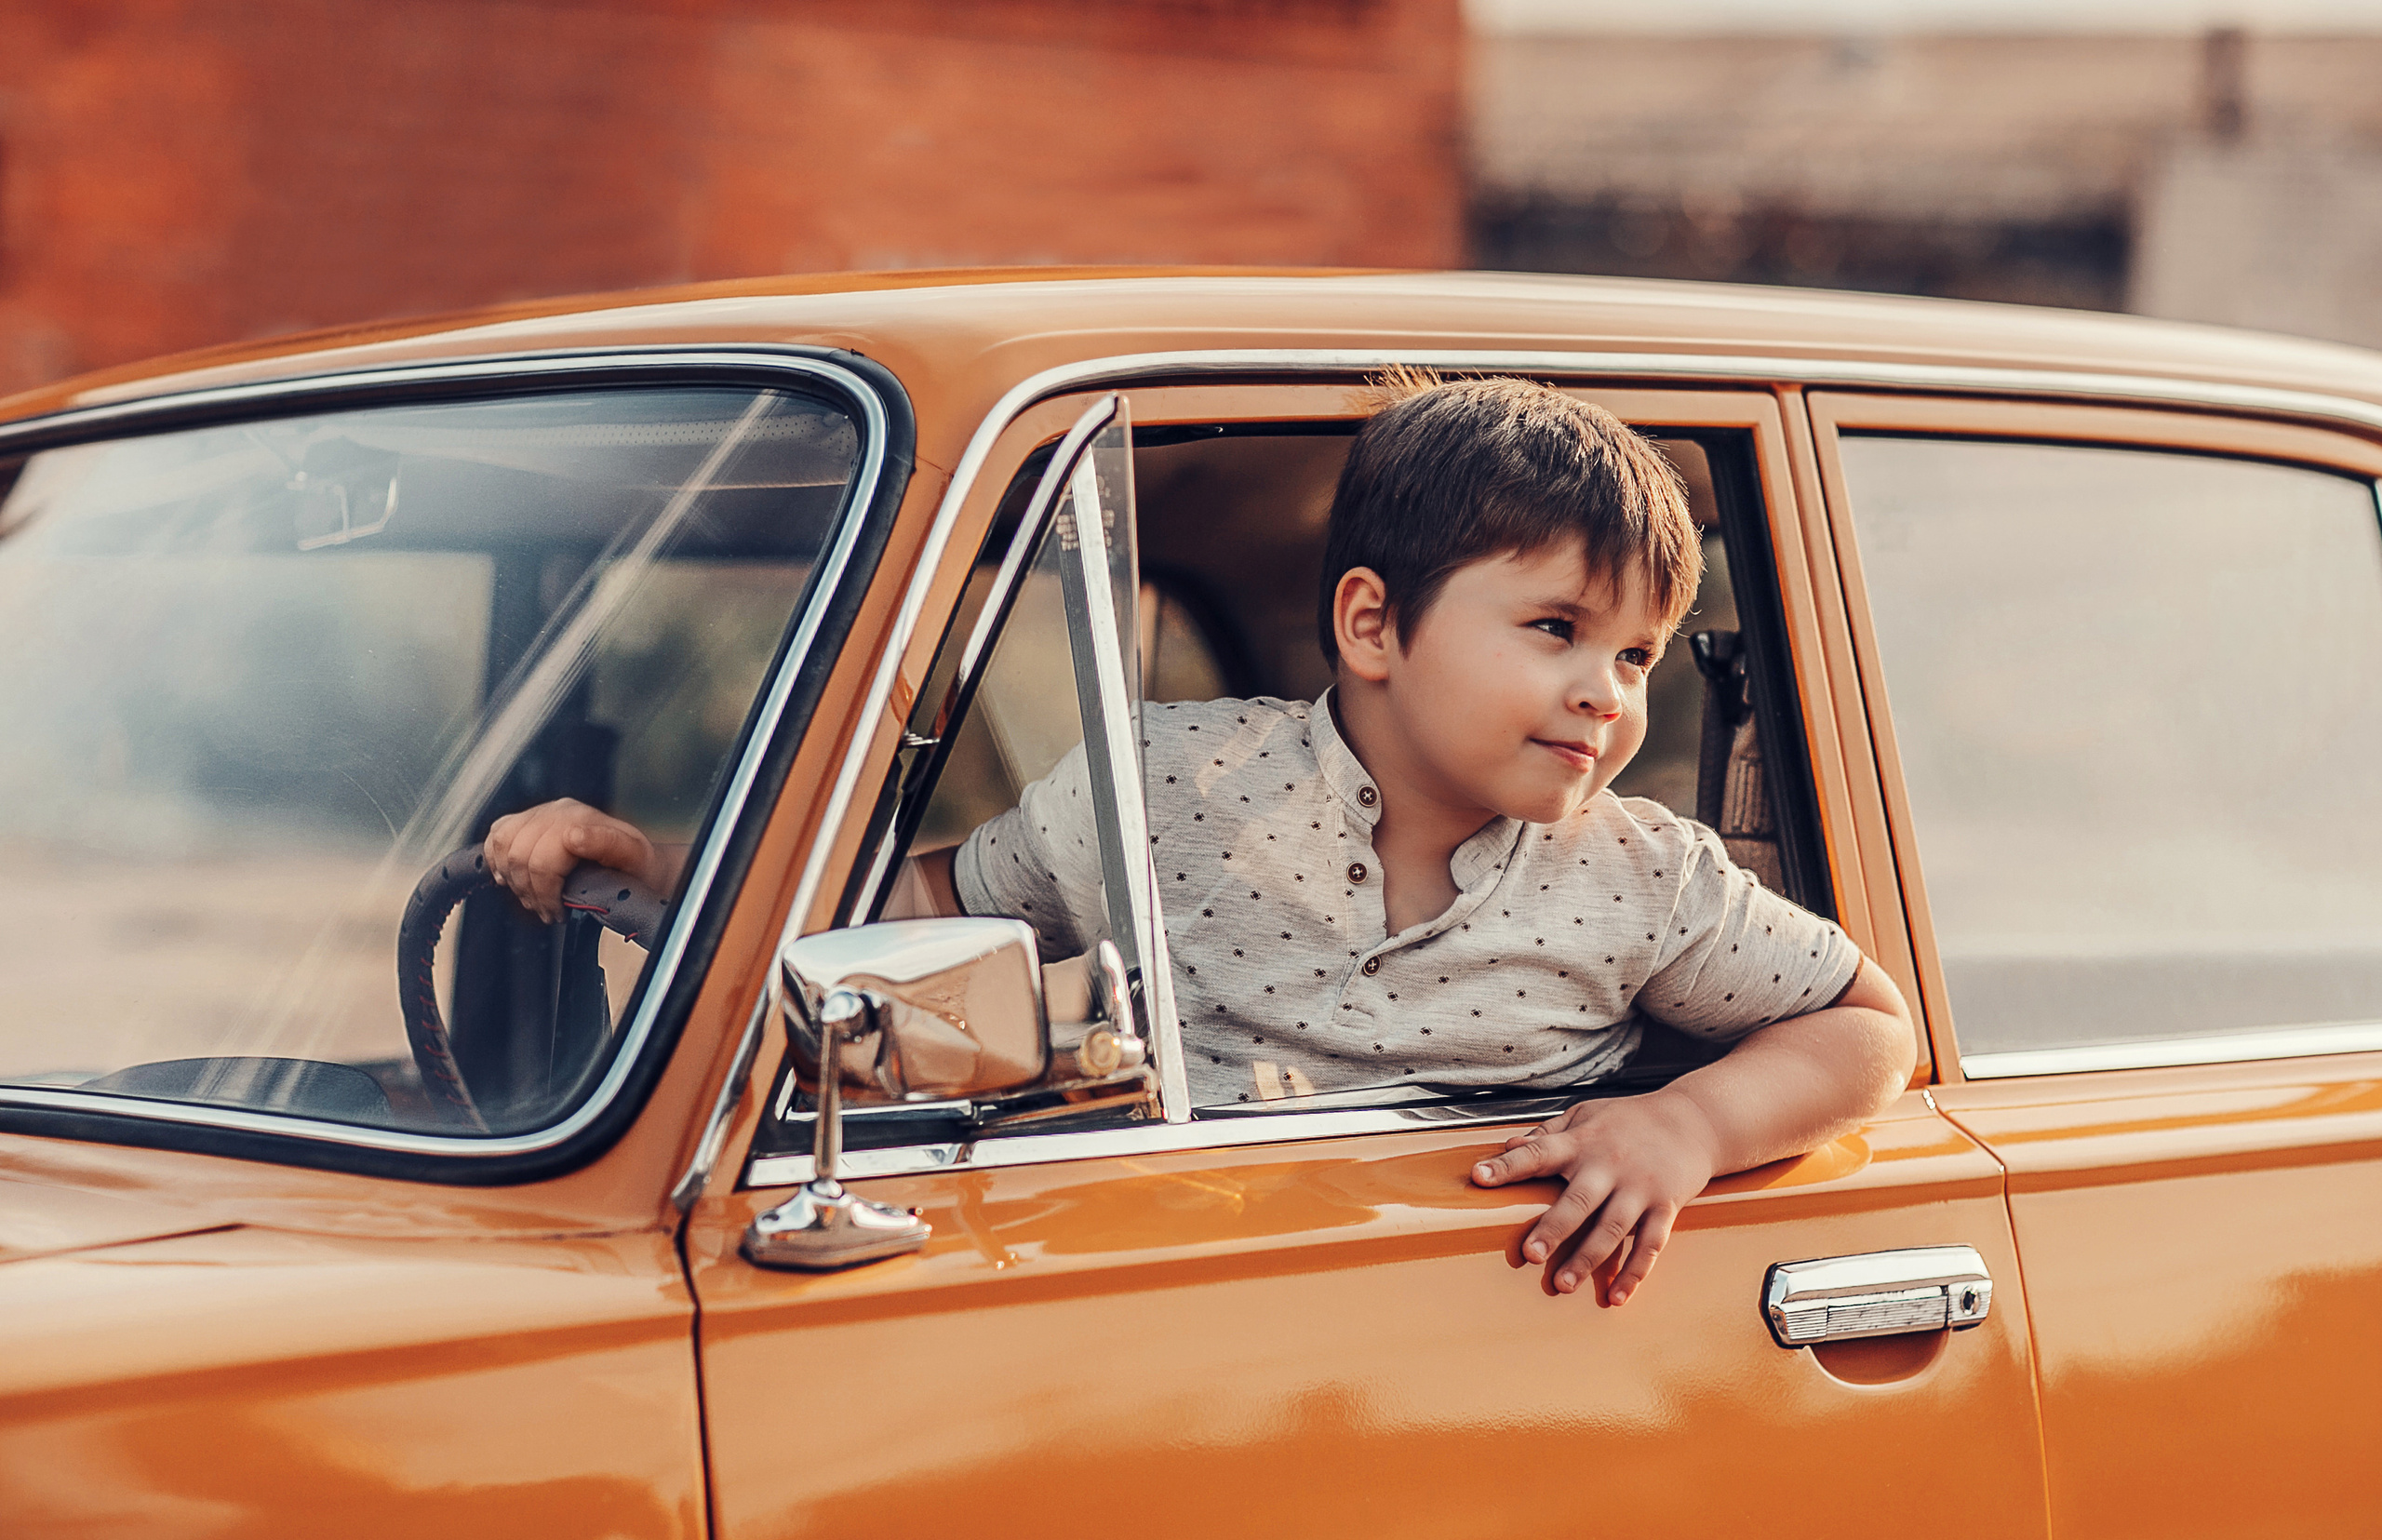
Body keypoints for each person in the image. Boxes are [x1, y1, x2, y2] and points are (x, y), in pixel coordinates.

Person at [486, 372, 1915, 1306]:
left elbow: (1868, 1027)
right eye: (1557, 630)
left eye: (1642, 655)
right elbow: (903, 911)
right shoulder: (1164, 781)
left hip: (1514, 1315)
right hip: (1184, 1278)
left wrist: (1688, 1125)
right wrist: (660, 868)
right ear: (1373, 625)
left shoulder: (1649, 872)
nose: (1610, 692)